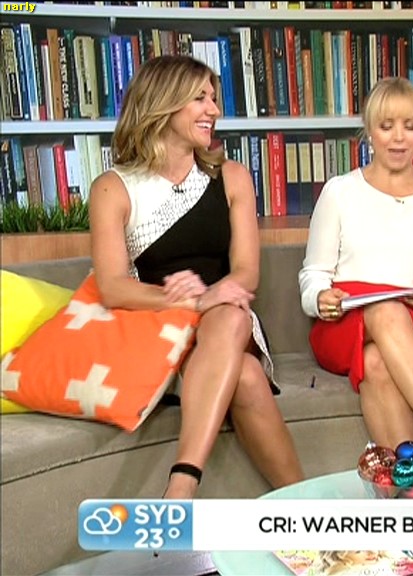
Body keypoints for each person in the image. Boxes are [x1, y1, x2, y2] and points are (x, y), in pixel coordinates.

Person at [88, 55, 304, 499]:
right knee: (246, 376)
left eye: (213, 98)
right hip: (159, 331)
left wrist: (211, 297)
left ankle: (182, 483)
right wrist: (188, 301)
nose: (214, 110)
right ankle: (303, 507)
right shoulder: (113, 187)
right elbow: (111, 287)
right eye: (200, 99)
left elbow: (245, 274)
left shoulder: (232, 177)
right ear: (164, 104)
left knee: (232, 315)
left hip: (228, 319)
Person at [299, 77, 413, 451]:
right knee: (384, 310)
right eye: (386, 126)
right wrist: (320, 298)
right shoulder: (339, 192)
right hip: (345, 324)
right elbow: (313, 275)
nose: (398, 138)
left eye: (409, 126)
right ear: (369, 132)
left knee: (376, 361)